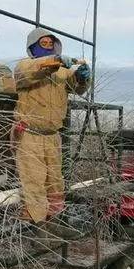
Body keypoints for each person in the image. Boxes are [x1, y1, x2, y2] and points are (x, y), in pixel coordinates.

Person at [12, 28, 91, 237]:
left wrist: (83, 78)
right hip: (29, 133)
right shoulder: (24, 66)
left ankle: (52, 223)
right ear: (33, 46)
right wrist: (54, 61)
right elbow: (33, 71)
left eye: (50, 43)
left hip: (52, 135)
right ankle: (36, 229)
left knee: (55, 180)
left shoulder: (63, 72)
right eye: (43, 43)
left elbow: (78, 89)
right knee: (33, 180)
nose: (47, 46)